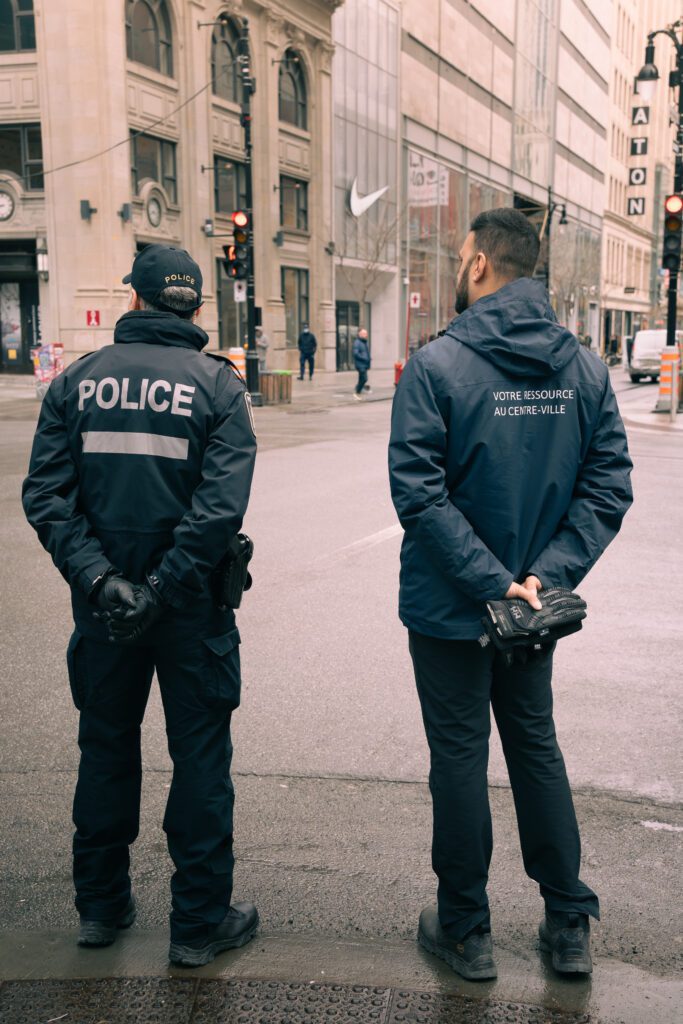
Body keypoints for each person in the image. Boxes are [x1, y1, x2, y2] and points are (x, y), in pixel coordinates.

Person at [388, 209, 633, 981]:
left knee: (459, 759)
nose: (457, 267)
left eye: (461, 257)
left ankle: (466, 931)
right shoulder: (584, 368)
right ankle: (567, 924)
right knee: (534, 748)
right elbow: (607, 487)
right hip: (531, 610)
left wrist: (491, 582)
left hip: (449, 607)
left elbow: (418, 494)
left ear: (480, 265)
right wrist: (540, 581)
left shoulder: (435, 366)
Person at [22, 244, 259, 969]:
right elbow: (217, 513)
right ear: (195, 308)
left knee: (105, 750)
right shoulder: (219, 388)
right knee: (200, 761)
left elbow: (46, 496)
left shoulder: (77, 382)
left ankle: (101, 908)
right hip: (191, 612)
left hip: (104, 613)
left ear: (134, 300)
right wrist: (162, 589)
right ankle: (198, 924)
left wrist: (100, 581)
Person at [352, 328, 371, 400]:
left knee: (361, 379)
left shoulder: (364, 342)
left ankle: (358, 392)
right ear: (360, 334)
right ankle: (357, 391)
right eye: (364, 334)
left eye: (366, 333)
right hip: (360, 364)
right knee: (364, 379)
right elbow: (355, 353)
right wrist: (364, 358)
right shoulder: (357, 342)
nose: (366, 335)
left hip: (364, 364)